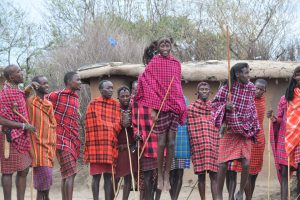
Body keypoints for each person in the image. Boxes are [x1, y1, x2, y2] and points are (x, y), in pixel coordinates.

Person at [134, 37, 187, 192]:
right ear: (158, 47)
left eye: (167, 43)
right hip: (161, 106)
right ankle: (161, 176)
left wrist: (179, 104)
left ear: (170, 47)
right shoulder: (154, 63)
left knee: (172, 143)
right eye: (162, 44)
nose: (165, 45)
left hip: (174, 105)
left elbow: (177, 85)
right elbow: (145, 82)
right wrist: (153, 107)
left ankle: (166, 172)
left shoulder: (176, 63)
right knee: (162, 142)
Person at [212, 63, 260, 200]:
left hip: (245, 129)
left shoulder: (251, 88)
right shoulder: (227, 88)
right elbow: (215, 104)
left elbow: (250, 106)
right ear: (238, 74)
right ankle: (219, 195)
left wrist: (250, 122)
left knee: (245, 163)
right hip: (230, 130)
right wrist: (225, 107)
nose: (248, 76)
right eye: (245, 73)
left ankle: (240, 192)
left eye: (248, 72)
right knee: (222, 164)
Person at [226, 79, 268, 200]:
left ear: (265, 91)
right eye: (256, 88)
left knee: (253, 173)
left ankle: (248, 197)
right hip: (243, 137)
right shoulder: (246, 98)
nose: (258, 91)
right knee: (235, 170)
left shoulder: (262, 102)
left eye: (261, 89)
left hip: (257, 139)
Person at [0, 64, 35, 200]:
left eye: (21, 70)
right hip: (10, 137)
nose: (22, 73)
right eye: (18, 72)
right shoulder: (5, 94)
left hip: (22, 136)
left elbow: (21, 96)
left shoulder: (16, 90)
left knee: (24, 169)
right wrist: (23, 126)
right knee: (7, 172)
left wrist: (30, 87)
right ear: (10, 77)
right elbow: (1, 119)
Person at [84, 80, 121, 200]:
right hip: (96, 147)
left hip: (110, 146)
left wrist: (109, 128)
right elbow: (90, 125)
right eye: (108, 88)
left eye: (112, 88)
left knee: (108, 177)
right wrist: (109, 127)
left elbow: (118, 123)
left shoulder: (116, 105)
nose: (111, 90)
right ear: (101, 90)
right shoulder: (93, 104)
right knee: (96, 177)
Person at [132, 41, 160, 200]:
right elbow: (135, 113)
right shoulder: (142, 79)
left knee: (157, 177)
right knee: (148, 177)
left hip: (160, 135)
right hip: (146, 136)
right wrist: (137, 132)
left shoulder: (164, 80)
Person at [47, 71, 81, 200]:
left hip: (72, 138)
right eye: (77, 80)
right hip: (60, 138)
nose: (80, 82)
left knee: (66, 174)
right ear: (69, 82)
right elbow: (40, 104)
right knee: (71, 173)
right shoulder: (56, 95)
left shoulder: (76, 98)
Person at [27, 75, 57, 200]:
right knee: (41, 188)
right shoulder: (30, 101)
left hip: (49, 147)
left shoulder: (48, 104)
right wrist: (30, 86)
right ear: (36, 86)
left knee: (47, 187)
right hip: (37, 148)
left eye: (47, 83)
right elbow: (22, 94)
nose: (47, 86)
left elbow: (53, 124)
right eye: (43, 83)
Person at [188, 82, 219, 200]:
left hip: (213, 145)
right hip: (199, 146)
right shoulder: (191, 108)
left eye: (206, 89)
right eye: (202, 89)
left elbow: (217, 125)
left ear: (210, 91)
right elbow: (191, 127)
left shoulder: (215, 107)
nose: (204, 91)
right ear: (197, 92)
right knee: (201, 177)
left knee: (214, 175)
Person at [115, 86, 138, 200]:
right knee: (116, 177)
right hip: (118, 149)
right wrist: (120, 121)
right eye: (122, 96)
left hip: (131, 148)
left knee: (128, 177)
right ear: (118, 98)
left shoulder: (134, 109)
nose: (125, 98)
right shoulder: (114, 110)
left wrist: (129, 122)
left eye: (127, 96)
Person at [268, 95, 292, 200]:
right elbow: (279, 119)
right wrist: (273, 119)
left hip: (298, 137)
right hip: (285, 136)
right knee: (284, 171)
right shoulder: (285, 98)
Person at [170, 96, 190, 200]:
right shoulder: (168, 97)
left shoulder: (185, 99)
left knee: (179, 172)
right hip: (170, 135)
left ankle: (175, 198)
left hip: (183, 137)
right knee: (170, 172)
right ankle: (172, 197)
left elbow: (188, 119)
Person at [284, 66, 300, 198]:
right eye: (298, 75)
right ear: (294, 77)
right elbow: (291, 114)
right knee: (299, 166)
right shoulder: (290, 93)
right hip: (295, 132)